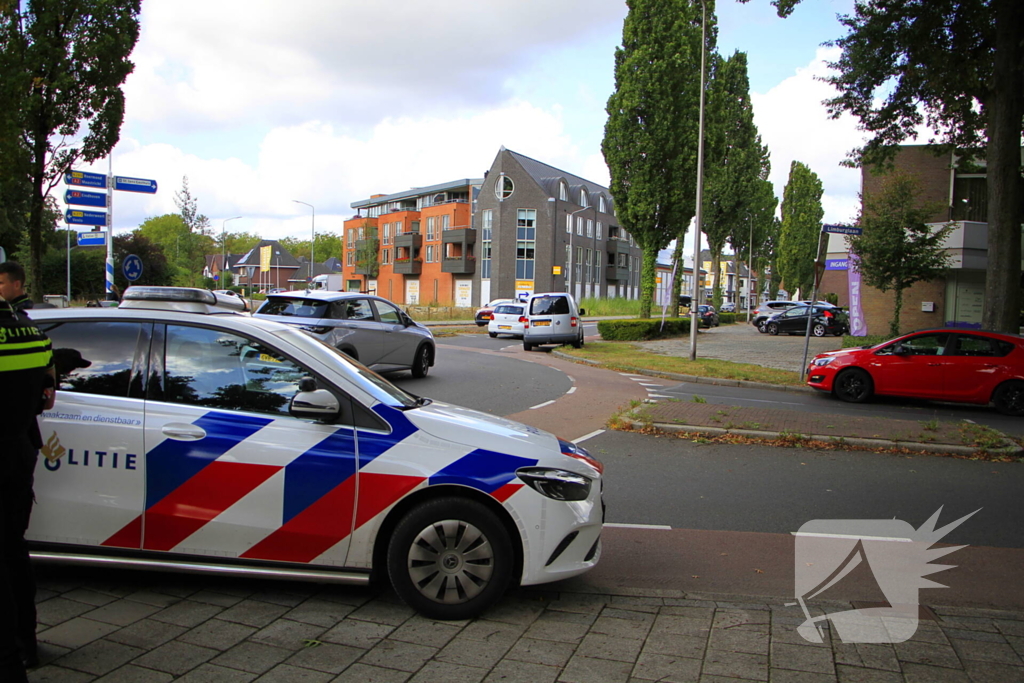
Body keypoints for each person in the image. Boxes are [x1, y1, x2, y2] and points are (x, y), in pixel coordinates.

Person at [0, 283, 54, 681]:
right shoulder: (32, 332)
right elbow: (46, 396)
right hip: (20, 450)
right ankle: (25, 645)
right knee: (14, 551)